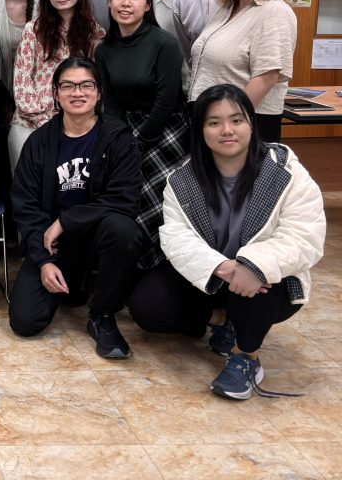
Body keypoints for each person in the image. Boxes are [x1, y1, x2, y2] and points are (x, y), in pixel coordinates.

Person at [131, 84, 325, 400]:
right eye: (214, 122)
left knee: (260, 279)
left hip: (263, 282)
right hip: (213, 274)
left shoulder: (285, 170)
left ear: (252, 123)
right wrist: (222, 266)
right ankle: (224, 321)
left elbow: (305, 235)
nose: (227, 130)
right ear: (201, 130)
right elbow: (175, 236)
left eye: (236, 120)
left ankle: (245, 356)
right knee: (147, 305)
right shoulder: (183, 178)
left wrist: (253, 265)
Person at [8, 57, 143, 358]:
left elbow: (124, 199)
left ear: (99, 92)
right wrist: (44, 261)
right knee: (25, 321)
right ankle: (72, 282)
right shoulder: (39, 142)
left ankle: (102, 315)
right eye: (67, 86)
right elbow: (26, 207)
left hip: (98, 236)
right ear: (55, 94)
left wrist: (66, 220)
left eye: (86, 85)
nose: (77, 93)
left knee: (124, 230)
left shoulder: (118, 137)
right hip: (54, 244)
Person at [94, 0, 187, 269]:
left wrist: (140, 143)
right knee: (117, 189)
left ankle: (161, 267)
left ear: (147, 5)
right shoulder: (104, 50)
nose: (126, 3)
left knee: (157, 195)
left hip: (166, 131)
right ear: (110, 1)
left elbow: (167, 99)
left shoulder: (165, 43)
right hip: (124, 129)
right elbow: (111, 103)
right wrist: (122, 142)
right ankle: (128, 267)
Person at [188, 0, 297, 143]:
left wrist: (227, 123)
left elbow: (266, 77)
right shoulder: (228, 7)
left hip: (244, 124)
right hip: (212, 120)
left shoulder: (274, 11)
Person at [9, 0, 104, 174]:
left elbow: (95, 84)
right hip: (30, 123)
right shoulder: (33, 30)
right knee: (27, 187)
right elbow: (22, 81)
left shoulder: (94, 33)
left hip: (78, 125)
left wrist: (71, 123)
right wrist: (49, 123)